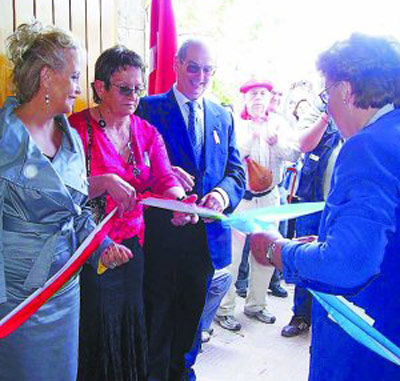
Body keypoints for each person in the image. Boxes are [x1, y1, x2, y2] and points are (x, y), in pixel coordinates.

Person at [250, 33, 400, 380]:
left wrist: (276, 250)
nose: (327, 107)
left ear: (345, 90)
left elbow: (349, 264)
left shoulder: (368, 149)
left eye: (326, 93)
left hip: (367, 351)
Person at [0, 22, 131, 381]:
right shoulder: (3, 140)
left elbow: (74, 210)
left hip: (64, 287)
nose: (78, 87)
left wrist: (100, 245)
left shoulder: (69, 136)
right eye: (73, 77)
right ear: (46, 78)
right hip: (17, 297)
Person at [69, 45, 186, 381]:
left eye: (138, 88)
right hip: (91, 246)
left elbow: (165, 177)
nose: (134, 96)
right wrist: (105, 181)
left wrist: (180, 205)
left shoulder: (145, 131)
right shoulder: (76, 130)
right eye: (125, 88)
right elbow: (62, 193)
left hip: (133, 245)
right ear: (100, 88)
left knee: (128, 321)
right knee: (97, 323)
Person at [136, 39, 246, 380]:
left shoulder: (221, 114)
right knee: (157, 323)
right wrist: (162, 175)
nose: (200, 76)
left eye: (208, 69)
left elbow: (236, 172)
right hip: (162, 240)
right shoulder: (146, 109)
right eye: (193, 67)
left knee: (191, 324)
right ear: (177, 64)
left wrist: (221, 196)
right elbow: (133, 168)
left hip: (206, 242)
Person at [215, 79, 299, 331]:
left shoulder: (279, 124)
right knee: (231, 256)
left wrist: (278, 143)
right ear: (245, 99)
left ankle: (256, 305)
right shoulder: (236, 123)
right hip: (241, 199)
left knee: (265, 254)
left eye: (263, 93)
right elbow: (228, 158)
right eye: (253, 94)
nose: (258, 98)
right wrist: (250, 140)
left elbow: (294, 154)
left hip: (269, 199)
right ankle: (224, 309)